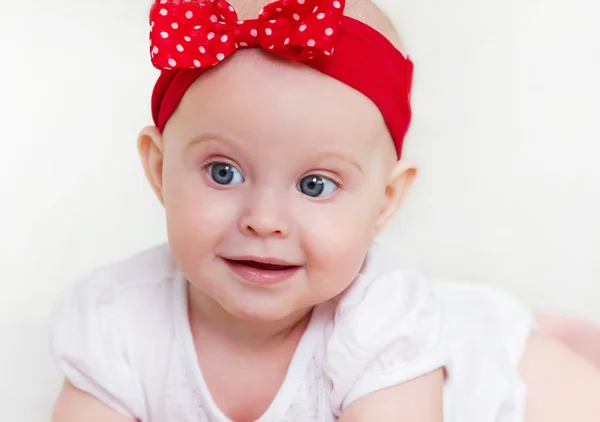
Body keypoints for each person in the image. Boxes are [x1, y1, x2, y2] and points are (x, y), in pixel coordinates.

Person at [49, 0, 600, 421]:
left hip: (503, 377)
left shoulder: (382, 322)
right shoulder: (116, 319)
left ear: (384, 202)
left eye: (315, 184)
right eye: (224, 172)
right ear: (158, 169)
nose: (265, 220)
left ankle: (563, 341)